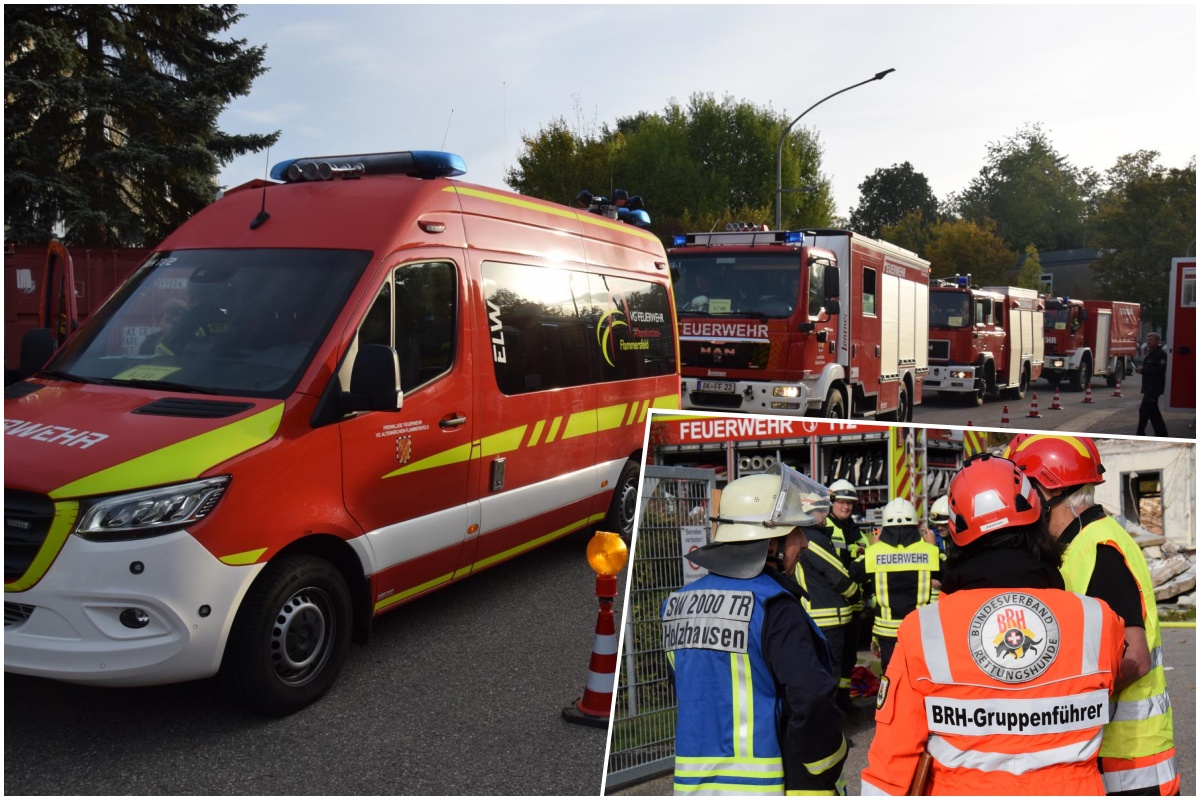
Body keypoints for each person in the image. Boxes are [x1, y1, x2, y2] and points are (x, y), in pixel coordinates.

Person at [861, 453, 1126, 796]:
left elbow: (891, 766)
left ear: (954, 531)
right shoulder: (1099, 620)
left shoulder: (923, 630)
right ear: (1038, 519)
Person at [1006, 434, 1179, 795]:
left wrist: (1059, 708)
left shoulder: (1099, 550)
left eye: (1023, 491)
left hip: (1128, 766)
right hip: (1114, 759)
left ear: (1047, 493)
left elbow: (1136, 658)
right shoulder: (1081, 544)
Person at [663, 464, 847, 795]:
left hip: (694, 788)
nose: (804, 544)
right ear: (769, 541)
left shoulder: (676, 605)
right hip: (765, 786)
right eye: (795, 533)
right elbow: (813, 700)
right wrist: (824, 770)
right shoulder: (774, 606)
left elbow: (693, 690)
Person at [793, 479, 861, 724]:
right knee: (828, 676)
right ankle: (831, 730)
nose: (826, 516)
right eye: (823, 511)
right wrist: (856, 593)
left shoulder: (806, 536)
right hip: (829, 618)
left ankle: (829, 719)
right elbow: (837, 576)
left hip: (818, 615)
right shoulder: (813, 538)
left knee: (828, 674)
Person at [862, 498, 940, 674]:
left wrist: (874, 548)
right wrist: (933, 547)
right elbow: (947, 573)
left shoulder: (874, 553)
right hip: (918, 629)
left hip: (887, 633)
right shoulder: (930, 552)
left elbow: (854, 573)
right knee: (919, 675)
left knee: (891, 675)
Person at [826, 479, 871, 713]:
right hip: (835, 605)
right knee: (834, 659)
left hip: (854, 604)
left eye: (850, 503)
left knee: (848, 657)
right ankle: (834, 705)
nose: (846, 507)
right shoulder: (827, 529)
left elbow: (868, 559)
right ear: (831, 502)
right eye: (842, 502)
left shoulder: (855, 530)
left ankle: (844, 699)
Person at [1135, 332, 1169, 437]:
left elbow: (1159, 369)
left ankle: (1140, 433)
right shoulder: (1151, 353)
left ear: (1158, 341)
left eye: (1151, 340)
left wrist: (1143, 370)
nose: (1149, 342)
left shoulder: (1161, 354)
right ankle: (1162, 433)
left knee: (1144, 410)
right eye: (1148, 340)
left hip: (1154, 388)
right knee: (1153, 413)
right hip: (1148, 387)